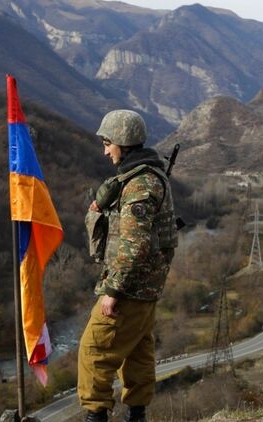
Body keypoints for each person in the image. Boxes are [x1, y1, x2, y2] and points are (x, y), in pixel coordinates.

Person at [78, 110, 178, 422]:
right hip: (145, 287)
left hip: (130, 288)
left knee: (93, 351)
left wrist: (113, 290)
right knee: (137, 351)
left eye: (108, 143)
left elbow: (135, 246)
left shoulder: (139, 185)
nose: (105, 150)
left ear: (122, 143)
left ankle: (96, 417)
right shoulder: (145, 177)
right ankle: (137, 415)